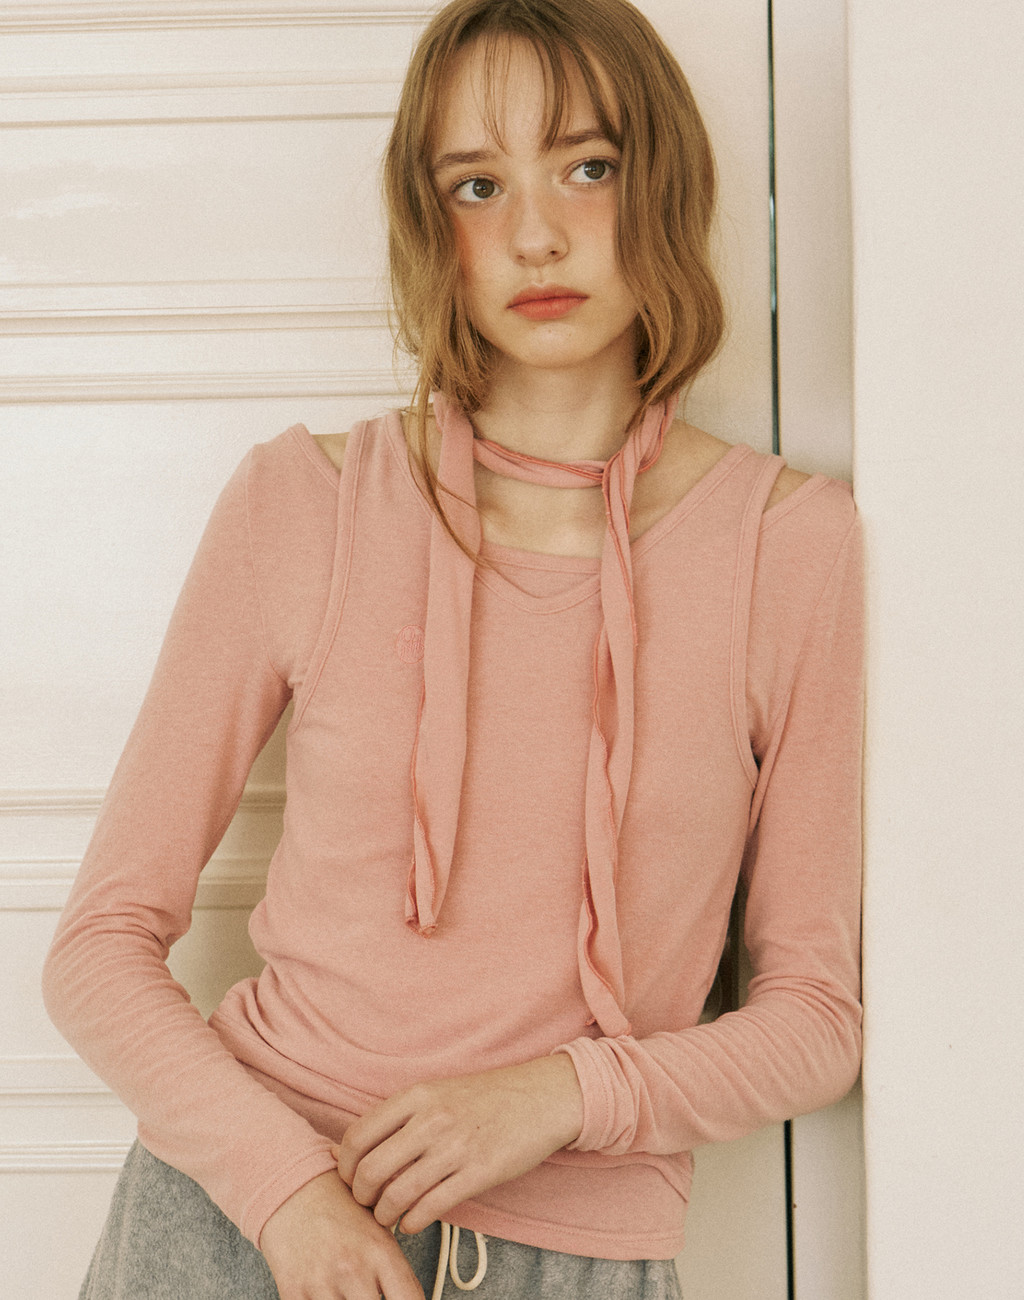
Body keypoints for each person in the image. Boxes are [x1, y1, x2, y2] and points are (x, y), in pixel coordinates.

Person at [42, 1, 865, 1297]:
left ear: (663, 181)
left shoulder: (789, 548)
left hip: (574, 1256)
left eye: (587, 166)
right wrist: (285, 1193)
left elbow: (816, 1019)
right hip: (244, 1229)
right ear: (432, 225)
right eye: (478, 184)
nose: (535, 233)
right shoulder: (306, 504)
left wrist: (564, 1093)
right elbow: (96, 946)